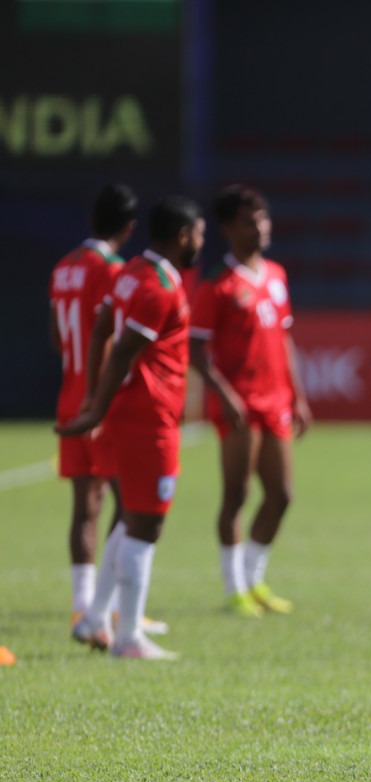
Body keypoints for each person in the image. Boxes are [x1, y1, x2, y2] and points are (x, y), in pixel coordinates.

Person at [61, 196, 205, 660]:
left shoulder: (130, 273)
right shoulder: (157, 286)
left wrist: (93, 399)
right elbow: (122, 348)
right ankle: (128, 640)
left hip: (133, 414)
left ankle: (95, 618)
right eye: (200, 233)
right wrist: (95, 409)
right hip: (147, 419)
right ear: (183, 236)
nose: (202, 241)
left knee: (128, 517)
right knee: (148, 523)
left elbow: (102, 327)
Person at [189, 185, 310, 617]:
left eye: (263, 218)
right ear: (227, 229)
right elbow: (195, 349)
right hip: (238, 405)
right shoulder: (217, 287)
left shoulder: (276, 275)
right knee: (236, 495)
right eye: (249, 221)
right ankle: (233, 587)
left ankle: (254, 579)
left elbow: (284, 337)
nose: (260, 227)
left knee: (282, 495)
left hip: (276, 400)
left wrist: (298, 396)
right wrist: (223, 393)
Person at [49, 184, 134, 629]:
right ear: (128, 227)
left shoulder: (63, 267)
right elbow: (114, 338)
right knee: (131, 503)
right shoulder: (115, 270)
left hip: (69, 395)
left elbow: (57, 337)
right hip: (99, 401)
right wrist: (98, 399)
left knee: (85, 505)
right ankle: (112, 603)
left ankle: (85, 603)